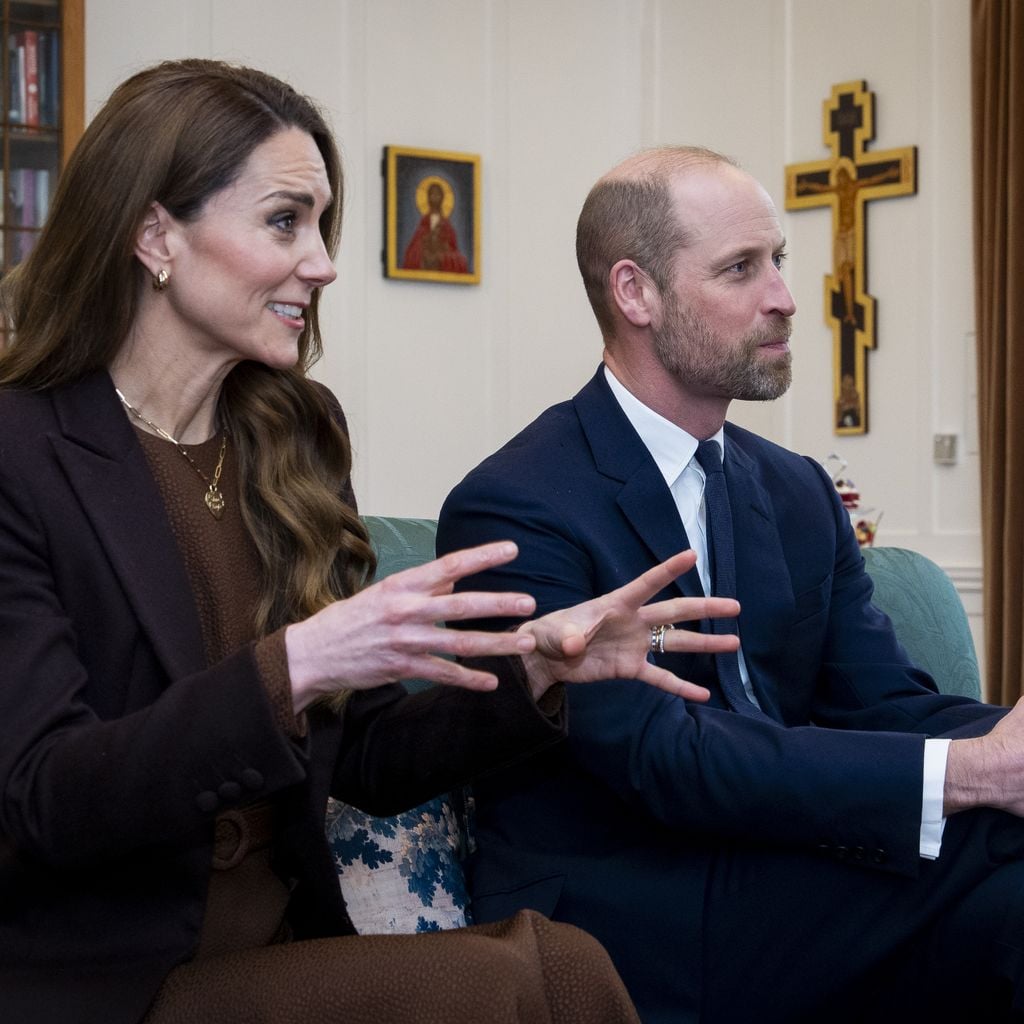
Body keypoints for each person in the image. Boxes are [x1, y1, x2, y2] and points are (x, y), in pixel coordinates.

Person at [0, 70, 742, 1024]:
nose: (322, 262)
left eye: (323, 223)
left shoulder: (294, 436)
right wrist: (293, 666)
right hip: (108, 974)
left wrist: (537, 671)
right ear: (156, 237)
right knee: (531, 975)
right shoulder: (24, 452)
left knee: (561, 967)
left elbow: (371, 763)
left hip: (276, 952)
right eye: (284, 221)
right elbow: (44, 798)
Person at [438, 145, 1024, 1023]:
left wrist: (1002, 745)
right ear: (635, 294)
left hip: (782, 865)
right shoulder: (517, 505)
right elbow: (667, 759)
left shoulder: (793, 488)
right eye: (742, 268)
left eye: (779, 261)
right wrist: (972, 775)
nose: (785, 296)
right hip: (628, 904)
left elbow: (887, 702)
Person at [401, 178, 469, 273]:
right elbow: (419, 238)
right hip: (426, 248)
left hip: (442, 250)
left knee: (459, 260)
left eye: (438, 194)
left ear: (442, 197)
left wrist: (443, 241)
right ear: (428, 197)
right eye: (432, 194)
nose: (435, 197)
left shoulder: (445, 222)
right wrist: (428, 238)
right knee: (415, 255)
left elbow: (452, 242)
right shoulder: (425, 220)